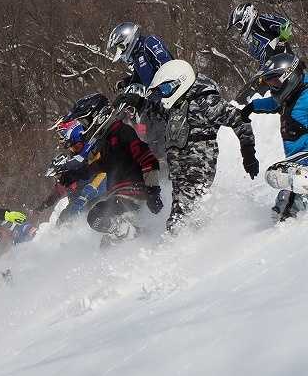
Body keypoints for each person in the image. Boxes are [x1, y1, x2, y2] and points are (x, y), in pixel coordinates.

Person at [146, 59, 259, 232]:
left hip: (198, 168)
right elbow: (157, 111)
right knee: (188, 215)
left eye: (166, 89)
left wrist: (248, 152)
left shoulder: (206, 101)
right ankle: (203, 237)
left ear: (181, 82)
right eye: (162, 91)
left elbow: (240, 120)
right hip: (179, 173)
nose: (164, 95)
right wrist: (138, 101)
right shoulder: (176, 104)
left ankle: (178, 244)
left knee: (179, 219)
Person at [50, 94, 161, 245]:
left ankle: (140, 237)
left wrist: (153, 191)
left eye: (86, 122)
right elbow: (101, 165)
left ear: (98, 117)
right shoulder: (108, 140)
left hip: (133, 192)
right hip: (120, 195)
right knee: (105, 244)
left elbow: (147, 158)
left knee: (96, 217)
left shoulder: (121, 131)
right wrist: (74, 175)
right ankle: (135, 244)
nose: (84, 129)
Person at [231, 52, 308, 221]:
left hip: (304, 166)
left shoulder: (305, 97)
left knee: (285, 205)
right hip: (298, 165)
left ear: (290, 76)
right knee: (282, 202)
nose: (273, 87)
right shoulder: (291, 95)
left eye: (275, 82)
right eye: (269, 83)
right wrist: (252, 106)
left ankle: (287, 229)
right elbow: (274, 103)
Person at [106, 22, 173, 88]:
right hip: (158, 91)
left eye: (120, 47)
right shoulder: (137, 56)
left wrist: (163, 86)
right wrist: (126, 83)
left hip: (171, 87)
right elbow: (140, 78)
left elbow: (165, 62)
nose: (121, 51)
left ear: (128, 39)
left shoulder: (149, 42)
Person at [228, 3, 295, 65]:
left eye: (239, 25)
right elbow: (261, 60)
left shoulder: (262, 19)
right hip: (275, 68)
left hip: (287, 59)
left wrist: (280, 41)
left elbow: (285, 24)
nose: (239, 29)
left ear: (246, 16)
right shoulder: (251, 40)